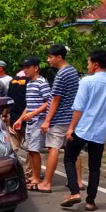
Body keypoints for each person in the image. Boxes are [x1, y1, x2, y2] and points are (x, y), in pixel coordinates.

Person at [61, 49, 106, 212]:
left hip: (82, 128)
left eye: (89, 63)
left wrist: (71, 128)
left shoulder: (86, 82)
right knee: (95, 167)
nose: (87, 66)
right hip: (100, 132)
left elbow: (79, 108)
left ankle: (74, 192)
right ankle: (90, 201)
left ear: (95, 65)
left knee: (69, 158)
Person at [36, 44, 80, 193]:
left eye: (50, 57)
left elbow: (55, 99)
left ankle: (46, 183)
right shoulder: (73, 71)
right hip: (72, 117)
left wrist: (47, 120)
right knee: (73, 150)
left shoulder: (61, 74)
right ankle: (78, 181)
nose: (48, 60)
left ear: (59, 57)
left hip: (59, 117)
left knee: (53, 148)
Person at [13, 57, 51, 191]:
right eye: (24, 67)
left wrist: (33, 113)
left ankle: (36, 177)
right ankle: (34, 175)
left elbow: (49, 102)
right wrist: (20, 119)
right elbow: (28, 105)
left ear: (36, 68)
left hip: (38, 121)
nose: (25, 70)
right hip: (30, 121)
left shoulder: (42, 83)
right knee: (30, 150)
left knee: (34, 150)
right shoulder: (29, 84)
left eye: (28, 67)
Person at [5, 71, 32, 180]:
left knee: (13, 147)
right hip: (27, 118)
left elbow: (8, 100)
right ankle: (28, 173)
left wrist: (5, 115)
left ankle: (12, 170)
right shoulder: (30, 82)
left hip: (13, 118)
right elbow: (31, 102)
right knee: (31, 148)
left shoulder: (12, 82)